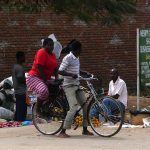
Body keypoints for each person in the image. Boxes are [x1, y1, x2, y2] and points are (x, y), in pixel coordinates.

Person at [58, 40, 93, 138]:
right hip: (68, 86)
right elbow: (60, 71)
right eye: (80, 49)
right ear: (76, 50)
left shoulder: (77, 58)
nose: (81, 51)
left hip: (76, 85)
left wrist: (84, 72)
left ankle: (85, 129)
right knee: (73, 107)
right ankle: (62, 131)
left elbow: (76, 70)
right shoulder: (68, 58)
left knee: (85, 105)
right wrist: (71, 75)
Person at [26, 38, 58, 115]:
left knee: (58, 89)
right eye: (49, 45)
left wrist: (57, 79)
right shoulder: (41, 52)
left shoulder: (53, 55)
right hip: (34, 77)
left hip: (45, 78)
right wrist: (45, 80)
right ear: (44, 45)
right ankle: (37, 109)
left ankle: (46, 106)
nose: (51, 47)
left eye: (52, 45)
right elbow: (40, 67)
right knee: (44, 91)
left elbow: (56, 68)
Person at [12, 51, 27, 121]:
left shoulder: (15, 66)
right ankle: (20, 121)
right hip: (21, 91)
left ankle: (16, 119)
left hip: (17, 90)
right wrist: (26, 81)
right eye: (23, 56)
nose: (25, 58)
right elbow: (20, 77)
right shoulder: (20, 68)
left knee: (18, 107)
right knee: (22, 108)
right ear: (20, 57)